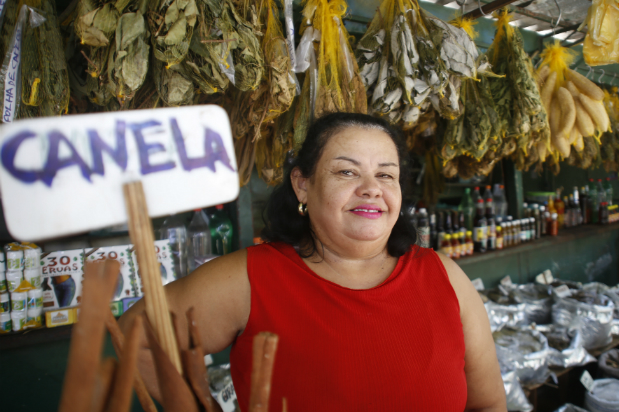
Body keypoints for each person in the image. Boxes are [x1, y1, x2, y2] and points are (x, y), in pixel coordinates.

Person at [120, 112, 506, 411]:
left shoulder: (445, 276)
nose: (371, 188)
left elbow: (488, 404)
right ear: (303, 184)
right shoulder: (251, 278)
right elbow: (137, 336)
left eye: (386, 175)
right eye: (346, 171)